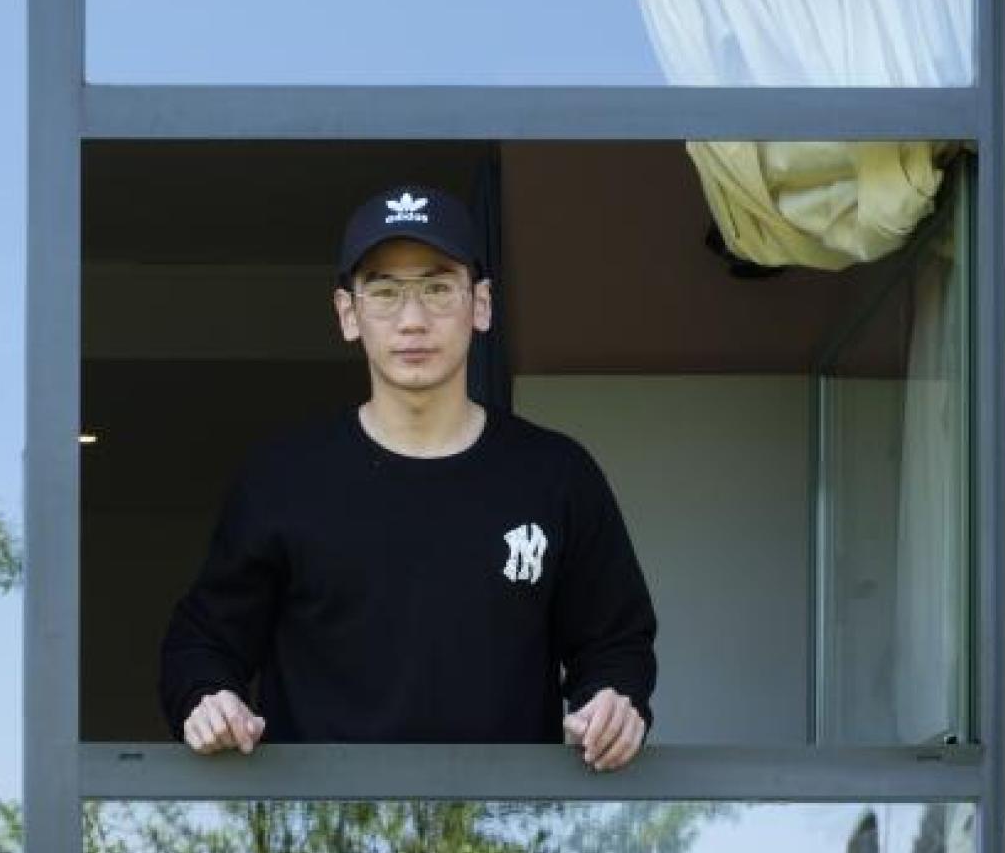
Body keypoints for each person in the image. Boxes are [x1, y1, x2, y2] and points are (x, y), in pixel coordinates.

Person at [157, 185, 659, 771]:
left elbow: (615, 644)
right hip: (319, 842)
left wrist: (612, 703)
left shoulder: (555, 475)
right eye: (386, 293)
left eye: (438, 289)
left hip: (513, 836)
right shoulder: (284, 480)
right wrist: (208, 698)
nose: (413, 320)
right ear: (349, 313)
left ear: (482, 305)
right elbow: (202, 642)